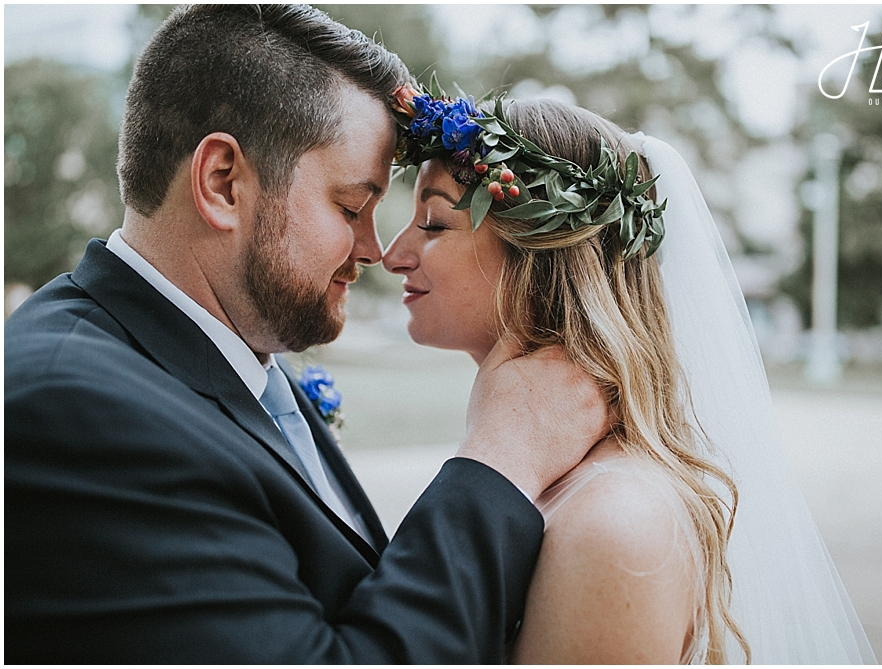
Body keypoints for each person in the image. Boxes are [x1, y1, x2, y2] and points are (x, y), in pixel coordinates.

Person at [4, 6, 609, 663]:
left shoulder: (232, 364)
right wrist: (502, 458)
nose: (375, 250)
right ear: (222, 182)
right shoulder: (76, 410)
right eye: (351, 206)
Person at [384, 91, 879, 663]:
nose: (394, 254)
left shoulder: (614, 523)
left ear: (543, 250)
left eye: (433, 222)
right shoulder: (541, 468)